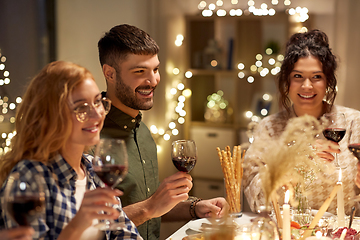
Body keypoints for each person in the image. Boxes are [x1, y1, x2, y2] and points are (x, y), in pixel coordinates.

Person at [97, 24, 229, 240]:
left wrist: (194, 207)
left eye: (155, 69)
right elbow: (92, 227)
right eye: (140, 71)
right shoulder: (90, 138)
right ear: (109, 73)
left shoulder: (144, 132)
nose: (153, 81)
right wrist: (151, 205)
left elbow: (151, 206)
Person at [0, 61, 142, 240]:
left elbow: (126, 235)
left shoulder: (94, 168)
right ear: (52, 117)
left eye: (98, 102)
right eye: (81, 107)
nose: (97, 114)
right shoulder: (30, 177)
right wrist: (76, 226)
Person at [243, 29, 360, 215]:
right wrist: (298, 161)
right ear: (287, 81)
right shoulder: (269, 128)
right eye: (298, 76)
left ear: (328, 82)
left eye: (316, 77)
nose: (307, 86)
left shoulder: (354, 122)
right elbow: (256, 198)